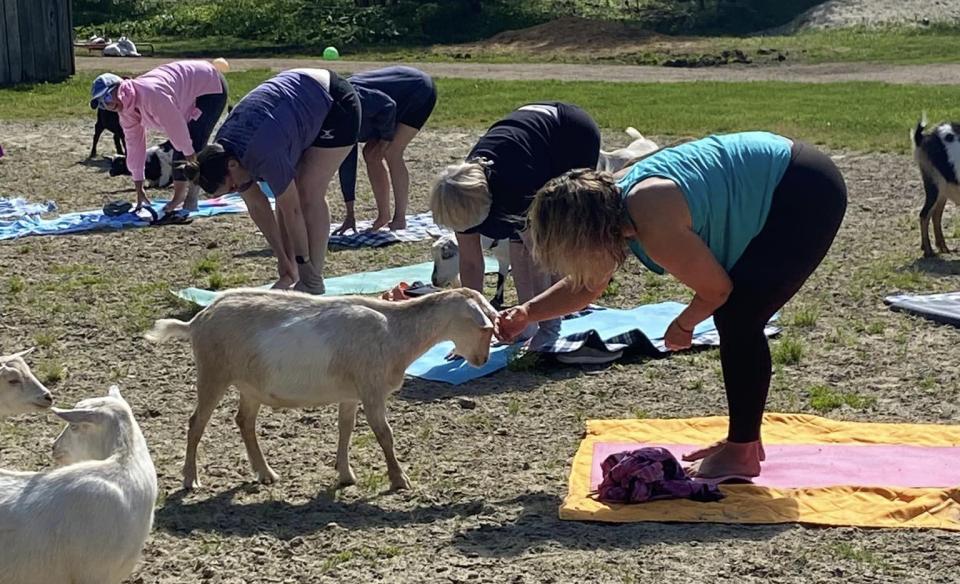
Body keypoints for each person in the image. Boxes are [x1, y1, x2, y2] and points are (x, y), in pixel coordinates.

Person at [497, 132, 847, 478]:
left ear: (582, 231)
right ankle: (743, 441)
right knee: (739, 313)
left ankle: (742, 453)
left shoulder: (650, 214)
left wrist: (684, 324)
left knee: (739, 316)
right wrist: (528, 312)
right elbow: (588, 287)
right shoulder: (611, 206)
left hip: (804, 187)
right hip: (787, 175)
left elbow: (716, 291)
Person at [430, 102, 601, 352]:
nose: (467, 232)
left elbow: (541, 258)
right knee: (518, 241)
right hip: (526, 141)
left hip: (569, 134)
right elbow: (470, 263)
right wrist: (474, 329)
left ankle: (553, 321)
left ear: (487, 204)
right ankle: (531, 324)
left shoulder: (514, 189)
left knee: (558, 232)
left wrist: (544, 326)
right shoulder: (457, 196)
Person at [183, 68, 360, 294]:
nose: (238, 190)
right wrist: (283, 259)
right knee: (284, 191)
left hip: (334, 102)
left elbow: (293, 210)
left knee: (307, 191)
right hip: (293, 106)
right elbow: (258, 205)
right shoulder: (224, 153)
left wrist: (303, 262)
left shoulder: (263, 152)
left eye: (234, 187)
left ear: (232, 166)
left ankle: (313, 280)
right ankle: (292, 274)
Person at [90, 61, 228, 219]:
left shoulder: (151, 93)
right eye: (101, 103)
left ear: (119, 88)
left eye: (107, 97)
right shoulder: (126, 112)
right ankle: (181, 197)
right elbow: (134, 146)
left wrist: (190, 154)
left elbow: (174, 124)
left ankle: (188, 198)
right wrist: (139, 188)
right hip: (186, 93)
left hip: (210, 85)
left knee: (190, 144)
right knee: (183, 149)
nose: (107, 105)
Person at [333, 66, 437, 234]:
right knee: (371, 154)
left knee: (392, 151)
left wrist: (386, 139)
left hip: (418, 89)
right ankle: (383, 216)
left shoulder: (350, 103)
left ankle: (400, 219)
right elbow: (346, 162)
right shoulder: (337, 121)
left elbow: (388, 105)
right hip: (389, 105)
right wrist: (350, 214)